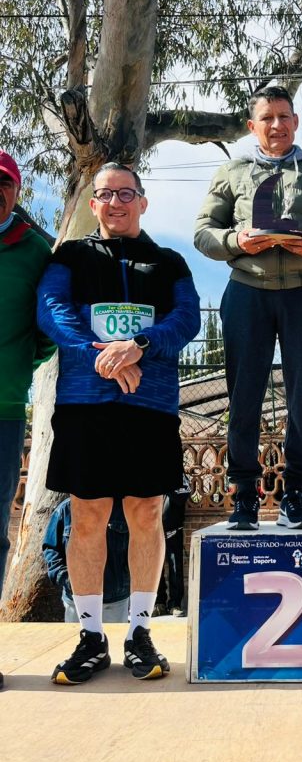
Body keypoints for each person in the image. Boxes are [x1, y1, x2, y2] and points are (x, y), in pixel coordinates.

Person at [37, 162, 200, 685]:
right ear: (94, 204)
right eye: (106, 194)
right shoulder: (70, 256)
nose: (116, 202)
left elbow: (188, 317)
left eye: (126, 193)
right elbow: (52, 309)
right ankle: (89, 636)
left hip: (150, 406)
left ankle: (139, 632)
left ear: (143, 202)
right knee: (86, 514)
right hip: (85, 403)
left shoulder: (169, 261)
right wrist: (99, 354)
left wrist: (140, 347)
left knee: (147, 511)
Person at [195, 86, 302, 531]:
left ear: (296, 122)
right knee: (243, 399)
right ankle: (244, 498)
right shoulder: (231, 173)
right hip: (248, 292)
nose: (277, 125)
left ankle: (295, 497)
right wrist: (235, 242)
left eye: (284, 116)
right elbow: (204, 231)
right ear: (253, 126)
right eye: (267, 118)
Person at [0, 150, 55, 690]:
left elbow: (49, 325)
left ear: (16, 190)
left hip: (4, 409)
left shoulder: (35, 249)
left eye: (4, 184)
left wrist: (19, 363)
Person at [43, 497, 130, 623]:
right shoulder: (66, 509)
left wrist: (127, 579)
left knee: (114, 641)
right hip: (76, 600)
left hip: (115, 601)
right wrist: (65, 579)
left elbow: (138, 547)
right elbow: (51, 548)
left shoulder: (124, 508)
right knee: (76, 640)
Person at [156, 477, 191, 616]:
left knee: (175, 566)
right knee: (155, 567)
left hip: (173, 528)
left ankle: (175, 603)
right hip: (152, 529)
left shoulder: (177, 474)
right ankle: (159, 603)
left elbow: (183, 493)